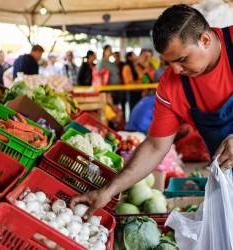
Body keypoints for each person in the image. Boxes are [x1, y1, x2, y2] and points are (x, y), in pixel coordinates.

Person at [70, 4, 233, 218]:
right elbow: (156, 147)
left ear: (204, 40)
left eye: (182, 59)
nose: (175, 70)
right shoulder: (171, 85)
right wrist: (109, 190)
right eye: (169, 62)